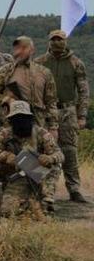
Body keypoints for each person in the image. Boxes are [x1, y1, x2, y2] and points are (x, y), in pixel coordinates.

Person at [35, 29, 88, 203]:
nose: (57, 42)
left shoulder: (76, 63)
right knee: (43, 150)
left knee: (70, 150)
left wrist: (82, 116)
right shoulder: (40, 63)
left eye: (60, 39)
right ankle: (41, 189)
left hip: (68, 111)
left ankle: (73, 189)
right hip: (45, 112)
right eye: (54, 39)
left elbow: (83, 92)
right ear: (49, 41)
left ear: (66, 41)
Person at [0, 100, 62, 217]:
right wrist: (6, 156)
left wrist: (49, 158)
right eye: (17, 118)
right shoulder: (4, 135)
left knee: (55, 165)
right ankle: (29, 203)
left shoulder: (41, 133)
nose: (21, 121)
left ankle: (46, 198)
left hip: (36, 174)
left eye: (24, 117)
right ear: (11, 120)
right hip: (15, 177)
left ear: (30, 118)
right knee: (6, 211)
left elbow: (59, 154)